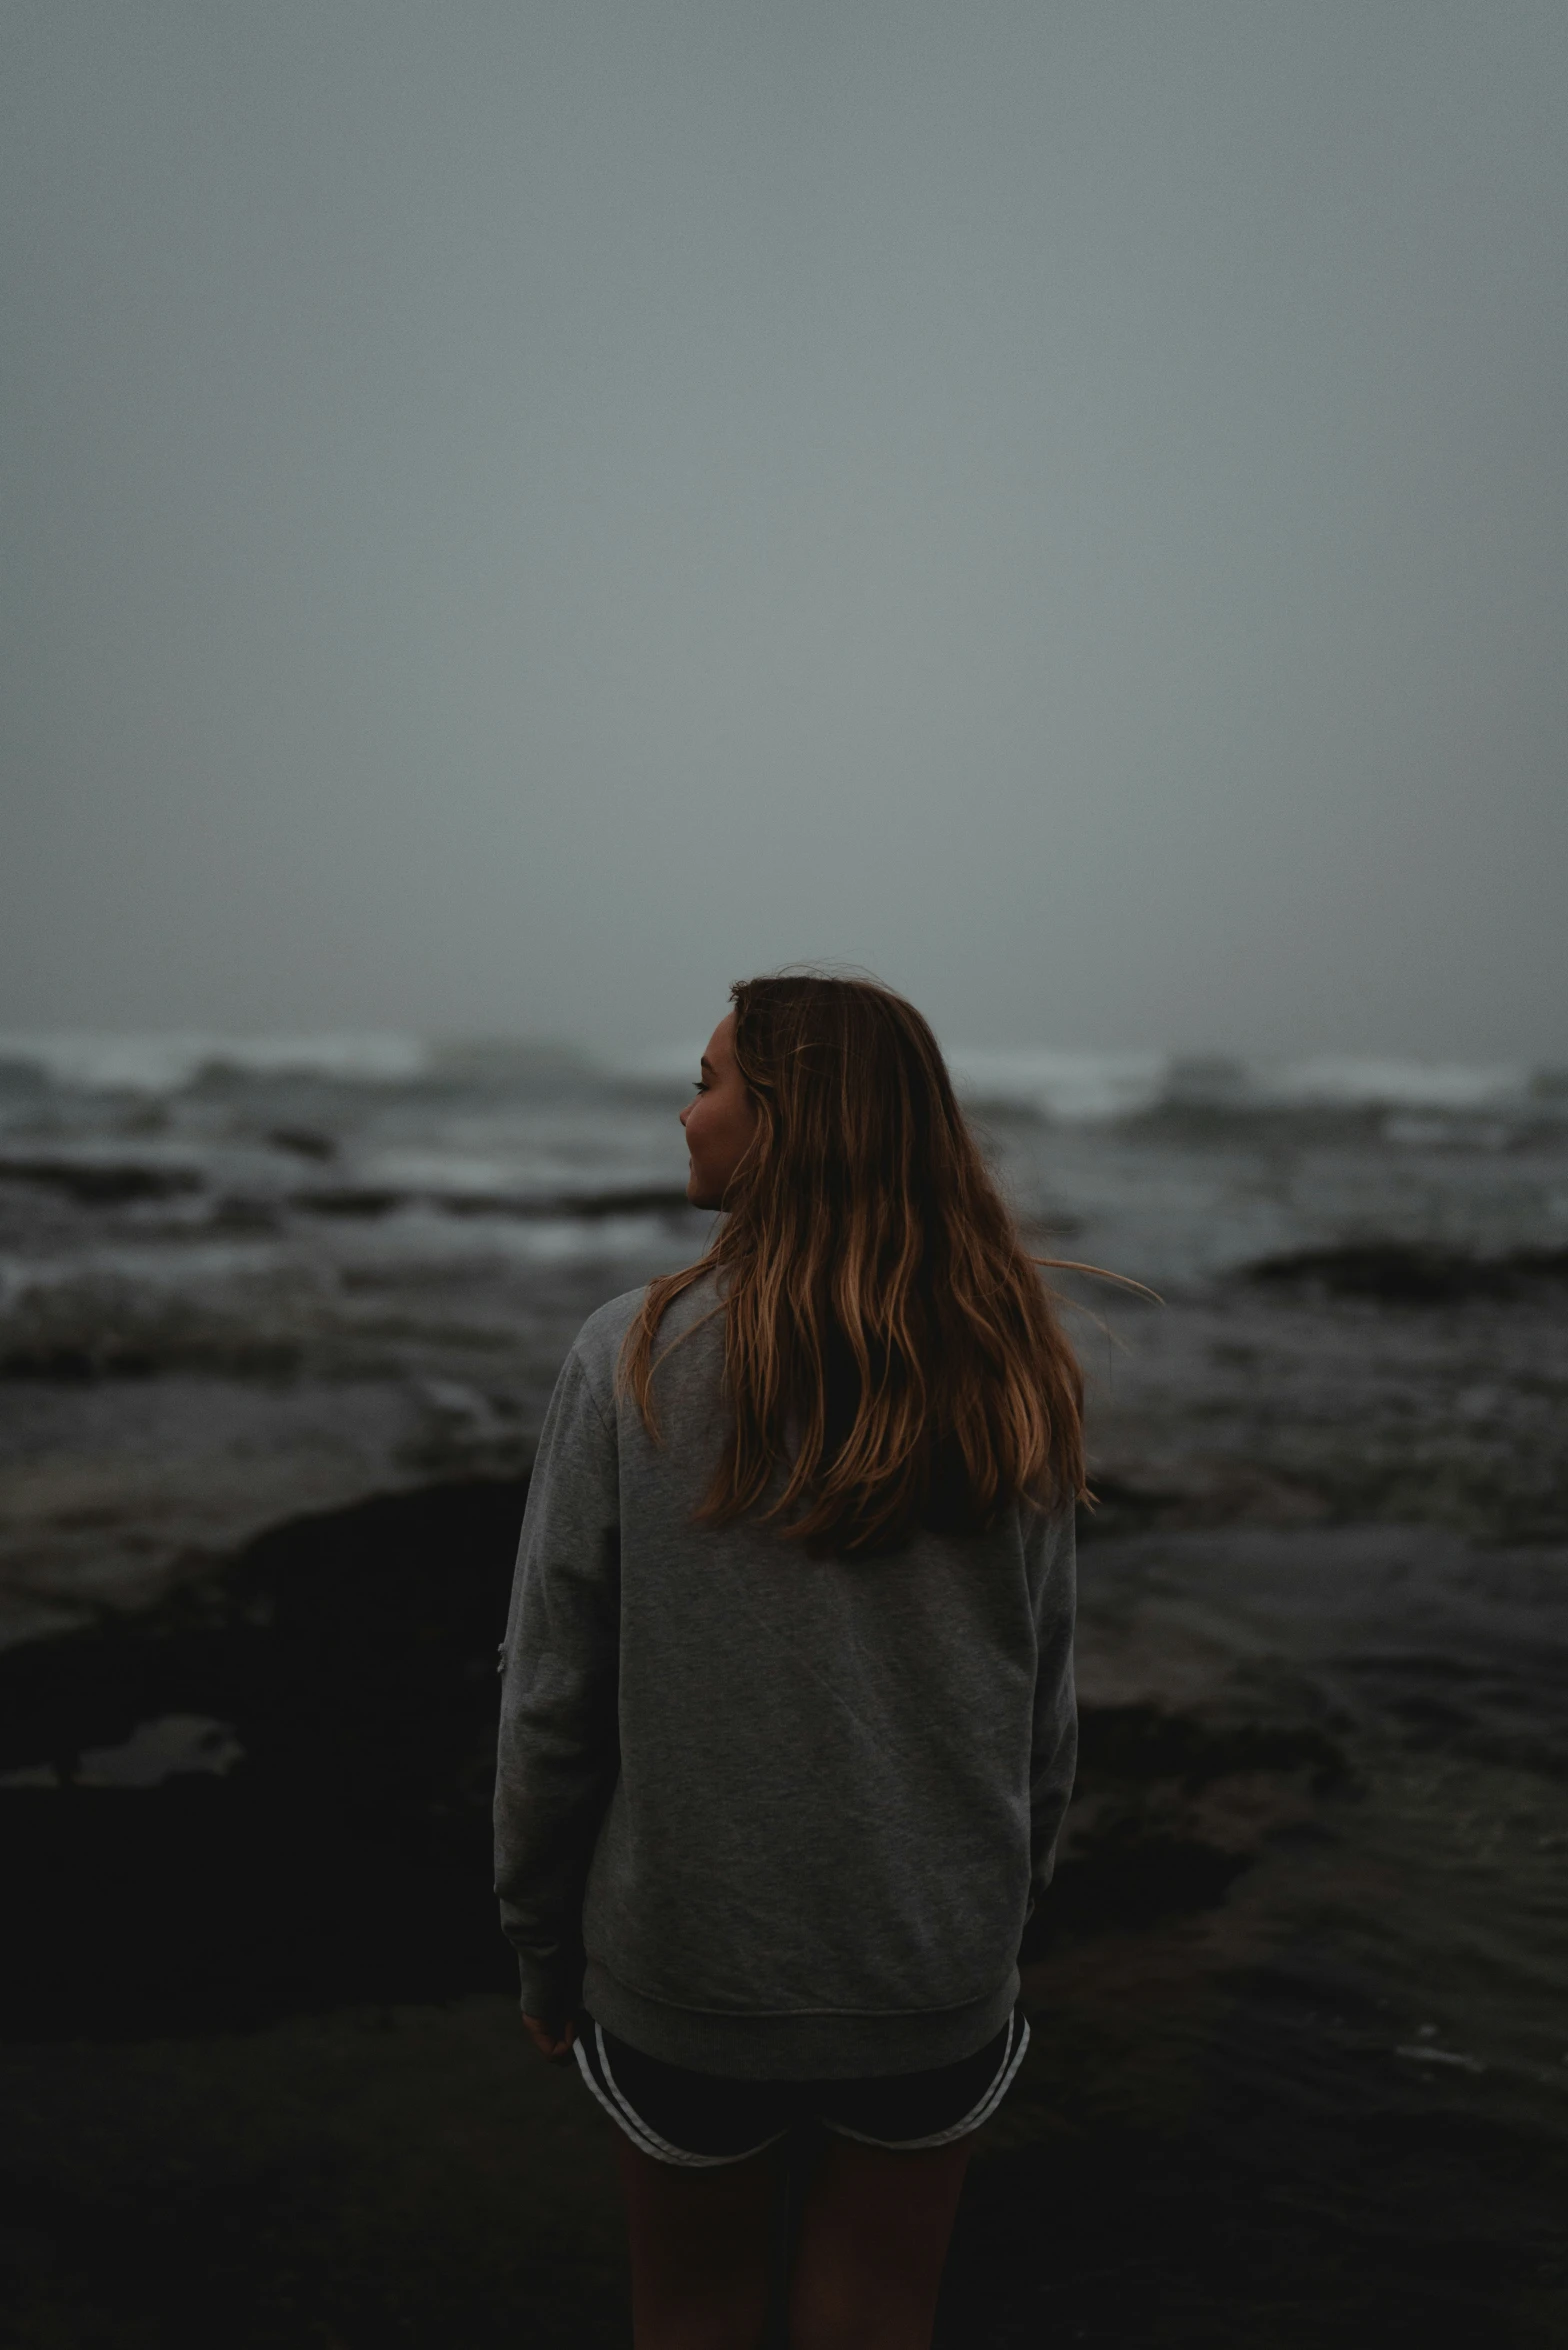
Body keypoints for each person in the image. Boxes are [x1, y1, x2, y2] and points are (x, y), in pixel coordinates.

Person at [493, 973, 1082, 2350]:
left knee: (693, 2316)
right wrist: (1003, 1917)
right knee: (878, 2321)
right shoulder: (1012, 1367)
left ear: (788, 1122)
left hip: (692, 1974)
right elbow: (1040, 1703)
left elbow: (550, 1695)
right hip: (930, 1968)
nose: (685, 1113)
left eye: (709, 1082)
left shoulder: (634, 1356)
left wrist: (540, 1944)